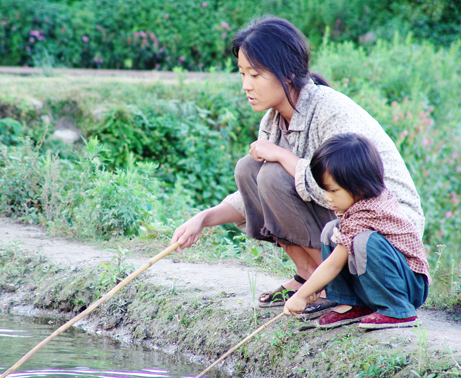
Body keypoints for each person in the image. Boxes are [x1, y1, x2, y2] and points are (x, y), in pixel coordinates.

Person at [170, 16, 424, 318]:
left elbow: (346, 188)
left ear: (288, 72)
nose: (245, 85)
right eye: (242, 74)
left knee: (273, 173)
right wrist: (203, 218)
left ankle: (335, 285)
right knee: (248, 169)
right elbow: (253, 193)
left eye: (254, 74)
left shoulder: (331, 111)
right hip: (344, 224)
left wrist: (281, 156)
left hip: (383, 238)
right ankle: (309, 275)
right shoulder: (273, 120)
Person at [284, 133, 430, 329]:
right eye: (326, 190)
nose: (327, 198)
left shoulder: (370, 212)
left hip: (409, 285)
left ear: (359, 187)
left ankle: (398, 310)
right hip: (393, 279)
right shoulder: (361, 202)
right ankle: (351, 303)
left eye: (333, 191)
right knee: (331, 230)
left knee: (365, 241)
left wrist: (300, 296)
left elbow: (334, 265)